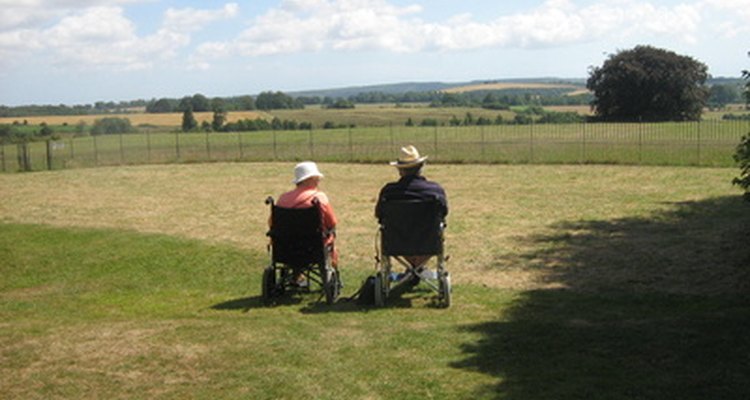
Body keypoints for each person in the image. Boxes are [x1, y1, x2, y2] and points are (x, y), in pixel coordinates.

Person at [375, 145, 448, 275]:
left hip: (396, 242)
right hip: (428, 241)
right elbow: (444, 212)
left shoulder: (388, 192)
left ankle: (414, 267)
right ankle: (418, 267)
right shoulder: (435, 191)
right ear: (421, 168)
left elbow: (379, 215)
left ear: (400, 170)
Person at [274, 161, 338, 285]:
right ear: (309, 179)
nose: (318, 181)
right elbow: (332, 222)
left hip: (286, 247)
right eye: (316, 178)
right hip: (314, 247)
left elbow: (273, 223)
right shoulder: (319, 198)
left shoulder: (282, 199)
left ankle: (296, 275)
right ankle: (329, 275)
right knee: (330, 233)